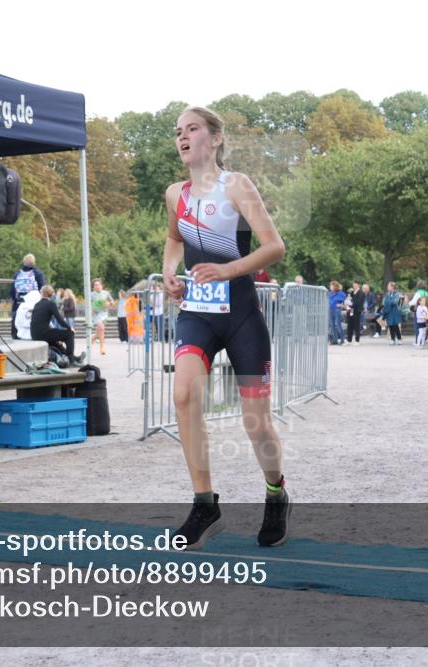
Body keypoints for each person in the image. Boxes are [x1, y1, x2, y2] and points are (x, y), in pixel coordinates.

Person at [162, 106, 289, 550]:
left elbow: (274, 247)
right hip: (196, 315)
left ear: (215, 139)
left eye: (192, 129)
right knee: (182, 395)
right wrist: (169, 273)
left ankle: (275, 493)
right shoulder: (175, 193)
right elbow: (176, 239)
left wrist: (229, 268)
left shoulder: (236, 185)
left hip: (240, 316)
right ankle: (204, 503)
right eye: (178, 131)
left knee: (257, 424)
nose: (183, 137)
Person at [30, 285, 85, 366]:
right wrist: (70, 328)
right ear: (51, 294)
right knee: (69, 334)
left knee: (57, 343)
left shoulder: (37, 304)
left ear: (41, 293)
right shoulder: (50, 303)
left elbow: (38, 322)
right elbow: (60, 320)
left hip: (35, 335)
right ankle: (72, 360)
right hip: (44, 334)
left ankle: (75, 358)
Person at [10, 254, 46, 339]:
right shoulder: (38, 273)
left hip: (19, 302)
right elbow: (43, 288)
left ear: (24, 262)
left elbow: (12, 289)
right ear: (34, 262)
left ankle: (15, 336)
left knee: (16, 319)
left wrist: (14, 299)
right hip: (34, 303)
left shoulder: (18, 274)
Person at [89, 278, 114, 355]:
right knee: (102, 328)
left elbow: (112, 302)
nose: (97, 286)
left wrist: (109, 304)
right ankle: (102, 347)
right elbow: (88, 305)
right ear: (93, 287)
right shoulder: (91, 294)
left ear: (102, 285)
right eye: (95, 285)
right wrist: (91, 308)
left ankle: (92, 339)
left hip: (104, 314)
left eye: (99, 285)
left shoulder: (106, 293)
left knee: (99, 332)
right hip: (95, 314)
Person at [346, 280, 364, 345]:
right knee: (349, 325)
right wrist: (347, 303)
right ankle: (349, 340)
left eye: (355, 284)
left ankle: (357, 340)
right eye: (353, 284)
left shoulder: (361, 293)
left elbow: (358, 302)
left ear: (358, 285)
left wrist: (351, 304)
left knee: (357, 325)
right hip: (351, 310)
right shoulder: (352, 292)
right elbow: (348, 299)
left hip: (357, 311)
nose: (354, 285)